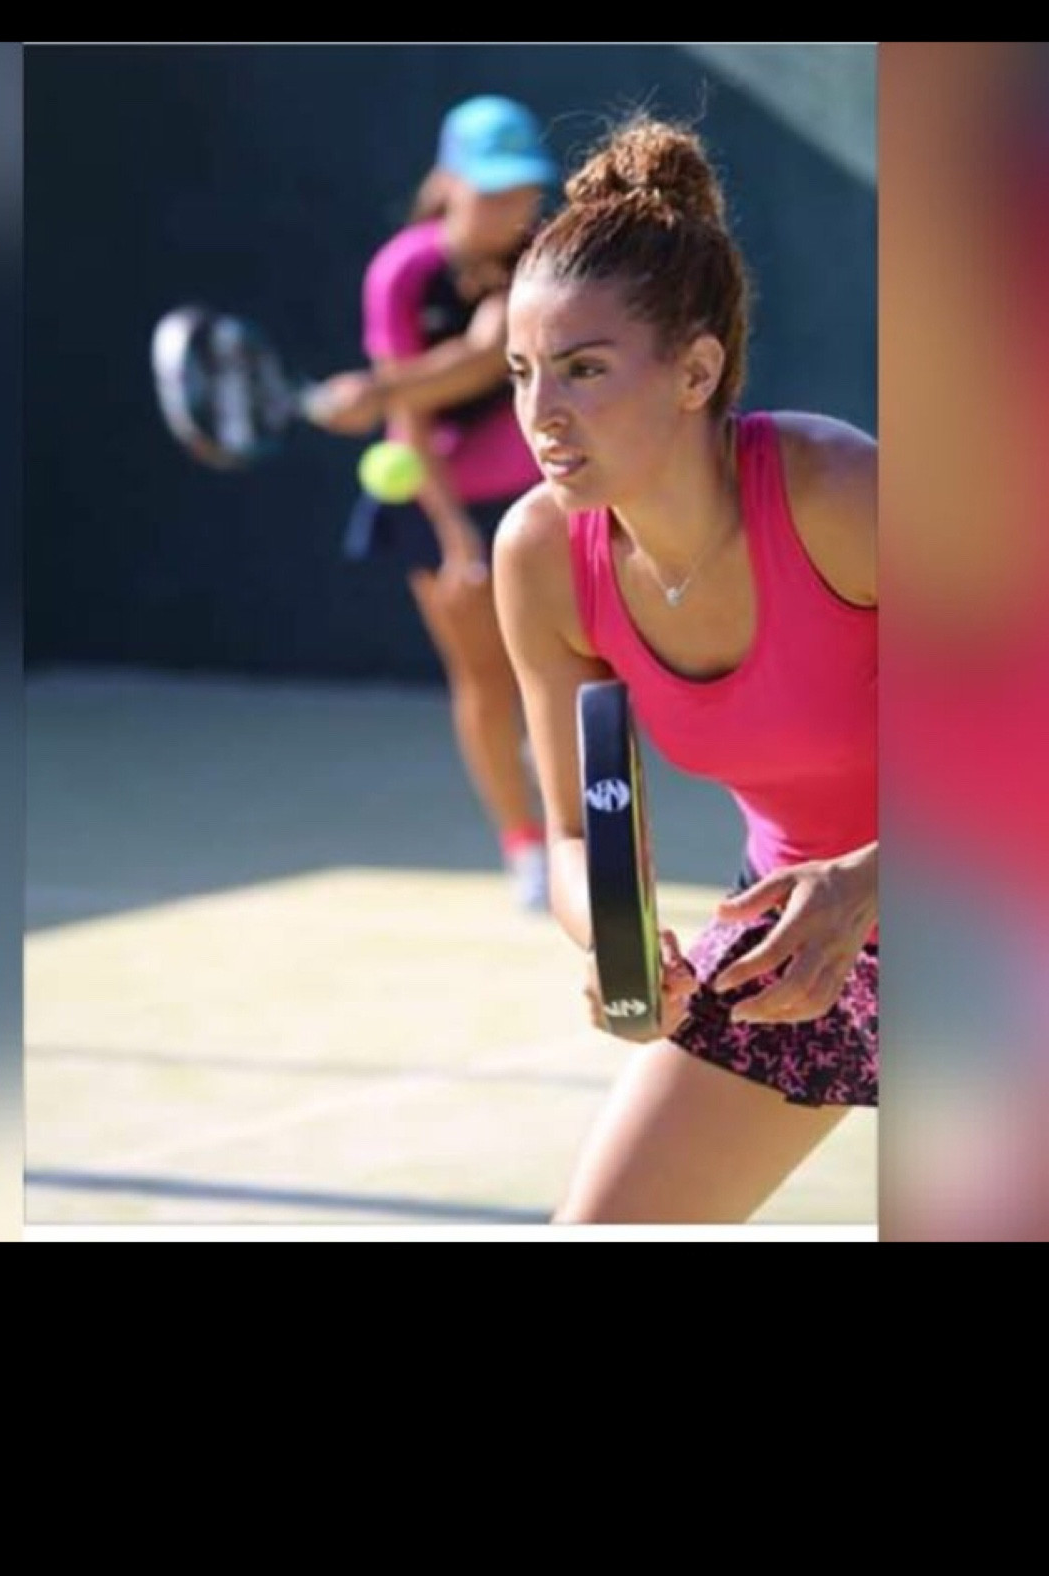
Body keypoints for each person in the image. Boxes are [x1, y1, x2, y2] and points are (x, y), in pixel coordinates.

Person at [492, 114, 877, 1222]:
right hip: (798, 944)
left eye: (583, 370)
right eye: (522, 373)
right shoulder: (541, 557)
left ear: (696, 371)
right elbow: (574, 833)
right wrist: (619, 947)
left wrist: (869, 877)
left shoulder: (835, 491)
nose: (542, 414)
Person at [314, 95, 562, 912]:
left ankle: (580, 834)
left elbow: (494, 364)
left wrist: (389, 385)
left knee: (574, 678)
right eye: (491, 188)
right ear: (449, 181)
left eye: (523, 188)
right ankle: (524, 847)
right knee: (484, 678)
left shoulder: (544, 260)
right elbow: (412, 421)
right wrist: (456, 536)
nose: (510, 206)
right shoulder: (403, 271)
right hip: (438, 501)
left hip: (543, 499)